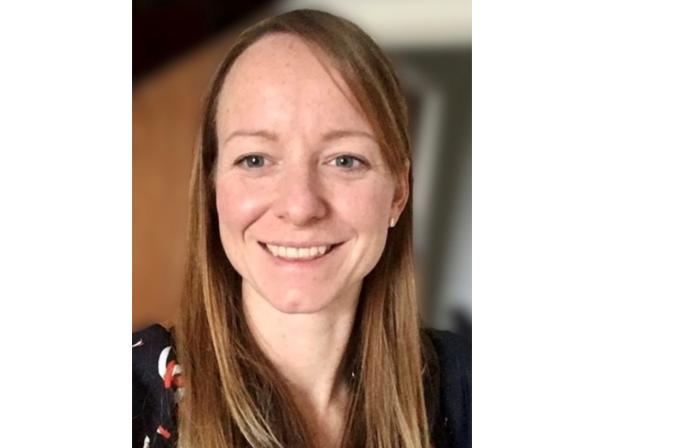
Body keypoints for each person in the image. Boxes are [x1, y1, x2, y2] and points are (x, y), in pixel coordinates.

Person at [132, 9, 471, 448]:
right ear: (213, 189)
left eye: (345, 160)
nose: (300, 206)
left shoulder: (467, 387)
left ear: (398, 193)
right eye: (255, 160)